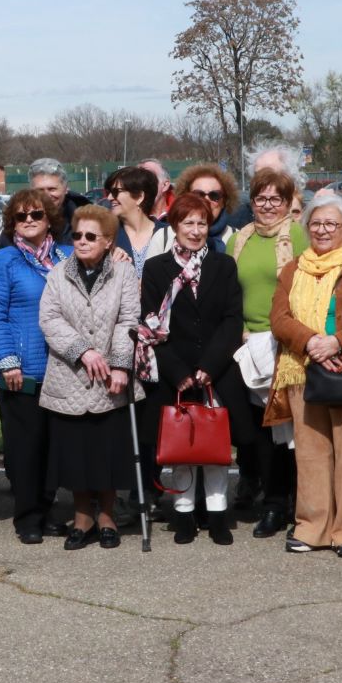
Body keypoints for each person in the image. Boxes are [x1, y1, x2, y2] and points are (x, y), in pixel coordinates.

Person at [265, 190, 342, 556]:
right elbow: (280, 319)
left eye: (330, 224)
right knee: (310, 455)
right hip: (303, 370)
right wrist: (311, 343)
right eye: (316, 224)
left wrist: (337, 343)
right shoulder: (293, 269)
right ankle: (313, 526)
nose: (322, 230)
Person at [137, 194, 251, 545]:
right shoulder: (156, 269)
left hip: (216, 369)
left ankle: (217, 513)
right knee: (182, 444)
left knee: (215, 446)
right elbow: (150, 323)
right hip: (175, 369)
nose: (196, 230)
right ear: (175, 227)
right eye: (188, 223)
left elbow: (232, 319)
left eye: (202, 223)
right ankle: (184, 513)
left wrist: (208, 367)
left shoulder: (223, 265)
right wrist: (179, 371)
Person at [39, 204, 142, 549]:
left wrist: (120, 366)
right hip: (69, 377)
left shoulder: (124, 274)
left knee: (107, 452)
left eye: (90, 236)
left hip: (110, 380)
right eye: (77, 235)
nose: (81, 242)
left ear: (109, 241)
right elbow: (50, 320)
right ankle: (82, 516)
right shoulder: (57, 274)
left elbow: (129, 320)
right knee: (75, 452)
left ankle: (107, 515)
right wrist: (83, 351)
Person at [0, 188, 72, 542]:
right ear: (12, 223)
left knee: (54, 447)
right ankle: (27, 516)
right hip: (21, 372)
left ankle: (48, 509)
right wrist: (7, 362)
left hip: (63, 371)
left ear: (49, 219)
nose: (29, 221)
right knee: (25, 449)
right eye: (21, 216)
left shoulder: (67, 257)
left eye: (36, 215)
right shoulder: (4, 261)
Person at [228, 167, 308, 537]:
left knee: (291, 431)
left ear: (289, 202)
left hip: (287, 343)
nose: (268, 206)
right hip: (249, 346)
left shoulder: (297, 235)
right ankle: (273, 503)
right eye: (261, 198)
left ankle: (293, 505)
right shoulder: (239, 239)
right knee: (262, 433)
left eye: (277, 198)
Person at [173, 163, 240, 250]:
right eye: (198, 194)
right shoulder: (165, 236)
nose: (206, 200)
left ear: (224, 202)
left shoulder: (238, 238)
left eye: (214, 195)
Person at [109, 165, 164, 270]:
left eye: (116, 192)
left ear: (139, 197)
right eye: (109, 192)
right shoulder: (106, 235)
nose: (109, 197)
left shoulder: (170, 234)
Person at [25, 157, 91, 236]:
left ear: (66, 189)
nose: (46, 196)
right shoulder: (19, 222)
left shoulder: (87, 221)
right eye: (40, 190)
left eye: (52, 189)